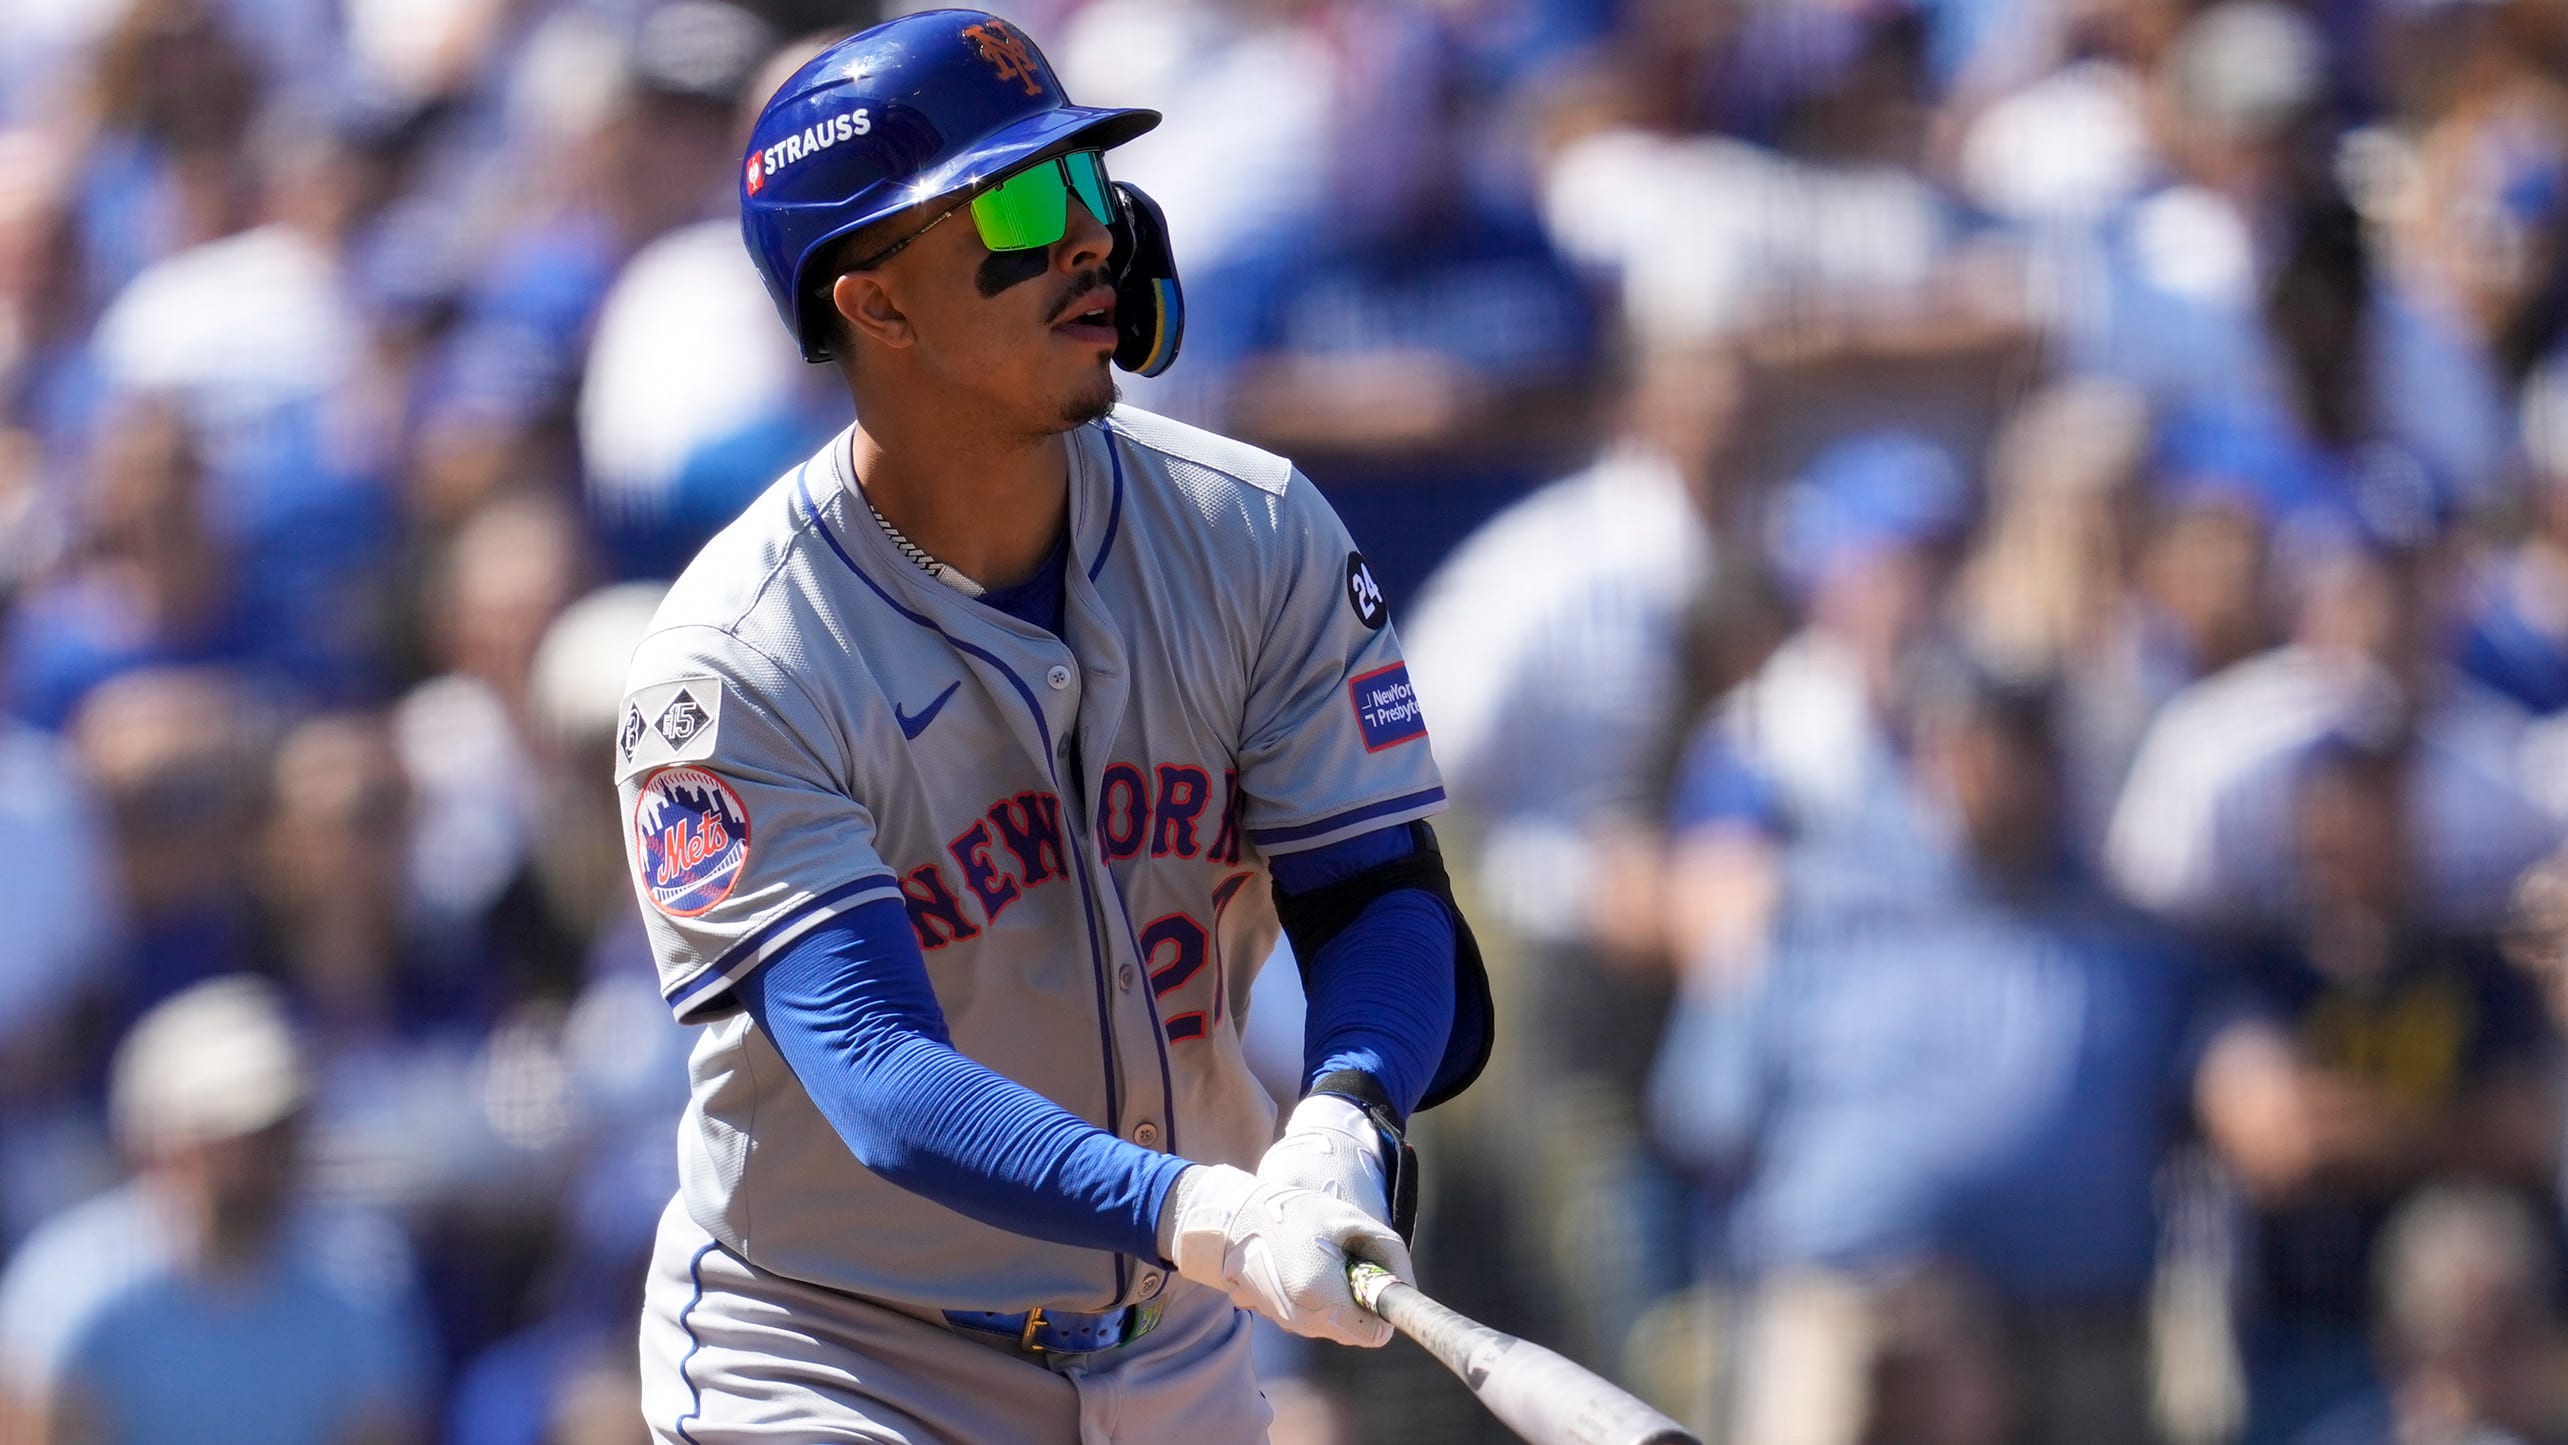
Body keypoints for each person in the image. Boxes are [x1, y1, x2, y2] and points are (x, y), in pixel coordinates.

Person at [618, 14, 1491, 1441]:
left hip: (1174, 1340)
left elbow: (1379, 890)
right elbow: (879, 1079)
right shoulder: (736, 662)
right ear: (877, 306)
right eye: (1025, 204)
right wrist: (1200, 1203)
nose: (1093, 239)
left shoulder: (1250, 531)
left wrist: (1346, 1107)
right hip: (841, 1351)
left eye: (1091, 188)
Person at [0, 975, 432, 1445]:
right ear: (162, 1142)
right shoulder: (69, 1295)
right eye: (235, 1132)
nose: (264, 1153)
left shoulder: (358, 1286)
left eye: (279, 1127)